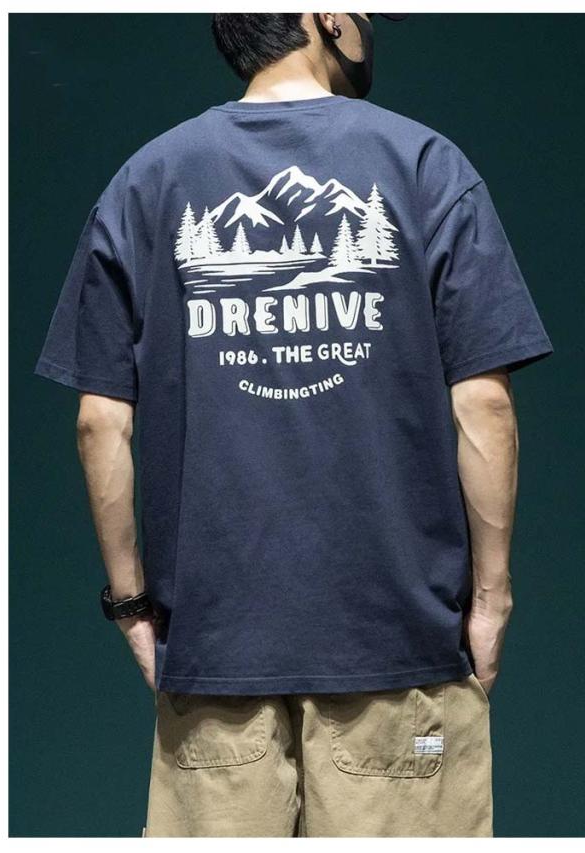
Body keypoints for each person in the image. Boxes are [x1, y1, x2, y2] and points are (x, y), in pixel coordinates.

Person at [35, 12, 553, 838]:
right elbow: (484, 404)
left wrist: (132, 605)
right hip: (399, 644)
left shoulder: (145, 180)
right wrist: (491, 598)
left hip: (214, 651)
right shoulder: (426, 164)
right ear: (325, 17)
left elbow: (100, 423)